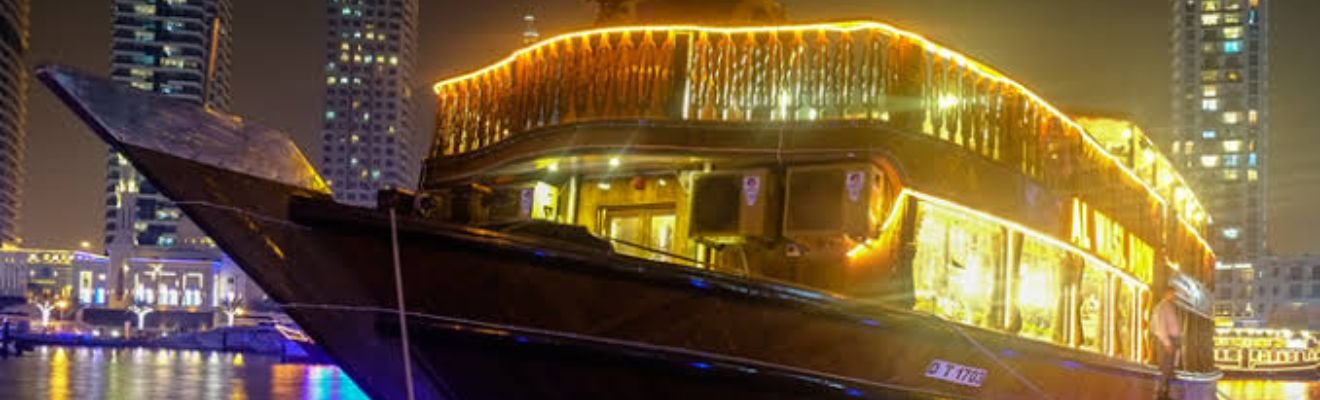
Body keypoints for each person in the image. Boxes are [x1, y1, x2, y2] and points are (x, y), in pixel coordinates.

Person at [1151, 289, 1182, 400]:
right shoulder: (1162, 307)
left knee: (1168, 368)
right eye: (1172, 293)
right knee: (1165, 367)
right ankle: (1161, 394)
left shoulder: (1169, 306)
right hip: (1167, 341)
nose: (1174, 296)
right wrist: (1167, 343)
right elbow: (1161, 326)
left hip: (1170, 340)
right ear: (1166, 293)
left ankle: (1165, 392)